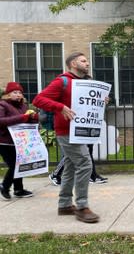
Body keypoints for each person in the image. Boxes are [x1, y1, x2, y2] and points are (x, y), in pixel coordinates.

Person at [33, 52, 100, 223]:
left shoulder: (84, 83)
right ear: (72, 64)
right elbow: (38, 99)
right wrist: (60, 107)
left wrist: (101, 100)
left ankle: (64, 205)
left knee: (70, 166)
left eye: (87, 61)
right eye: (83, 61)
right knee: (85, 163)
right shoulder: (62, 81)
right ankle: (82, 207)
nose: (87, 63)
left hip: (80, 131)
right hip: (66, 131)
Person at [0, 82, 38, 200]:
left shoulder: (23, 106)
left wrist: (33, 119)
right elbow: (1, 121)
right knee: (15, 165)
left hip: (19, 140)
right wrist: (22, 117)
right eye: (14, 92)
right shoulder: (2, 105)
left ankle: (18, 189)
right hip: (4, 141)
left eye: (20, 93)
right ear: (8, 94)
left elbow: (27, 122)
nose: (18, 95)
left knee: (19, 165)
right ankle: (4, 186)